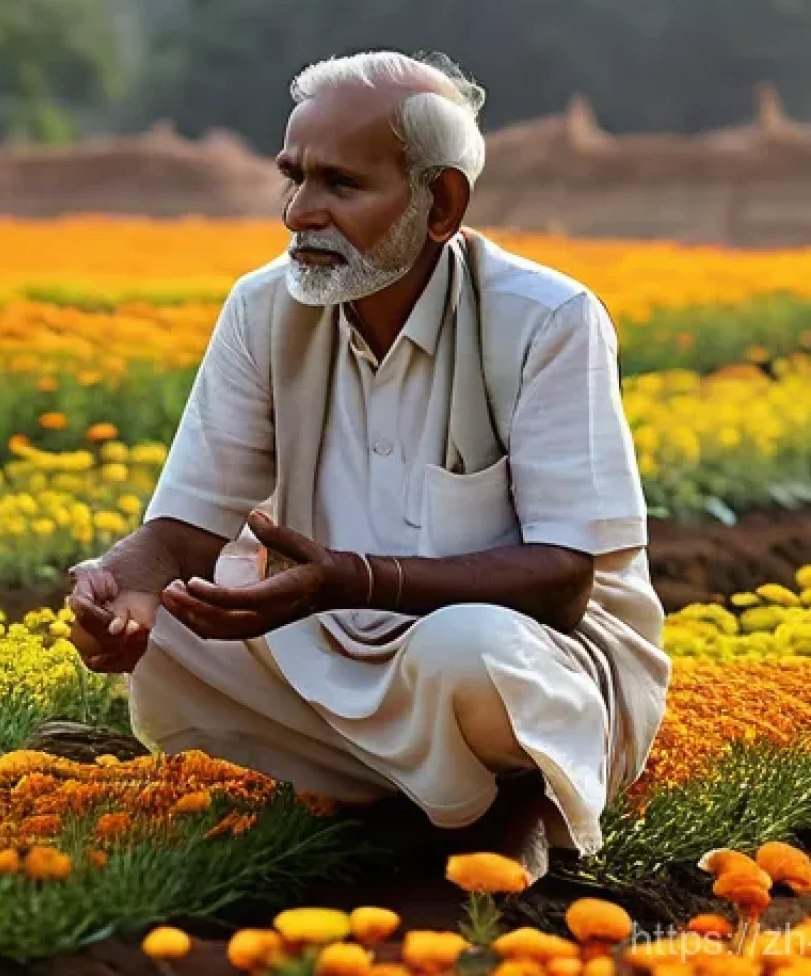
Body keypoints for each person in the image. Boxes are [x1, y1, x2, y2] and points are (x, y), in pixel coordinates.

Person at [67, 49, 670, 882]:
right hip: (331, 627)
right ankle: (401, 790)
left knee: (470, 653)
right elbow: (186, 527)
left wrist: (353, 579)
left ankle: (512, 794)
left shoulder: (547, 321)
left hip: (540, 655)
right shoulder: (263, 306)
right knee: (173, 619)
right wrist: (124, 581)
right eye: (295, 177)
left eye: (340, 185)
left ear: (441, 204)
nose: (298, 213)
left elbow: (564, 581)